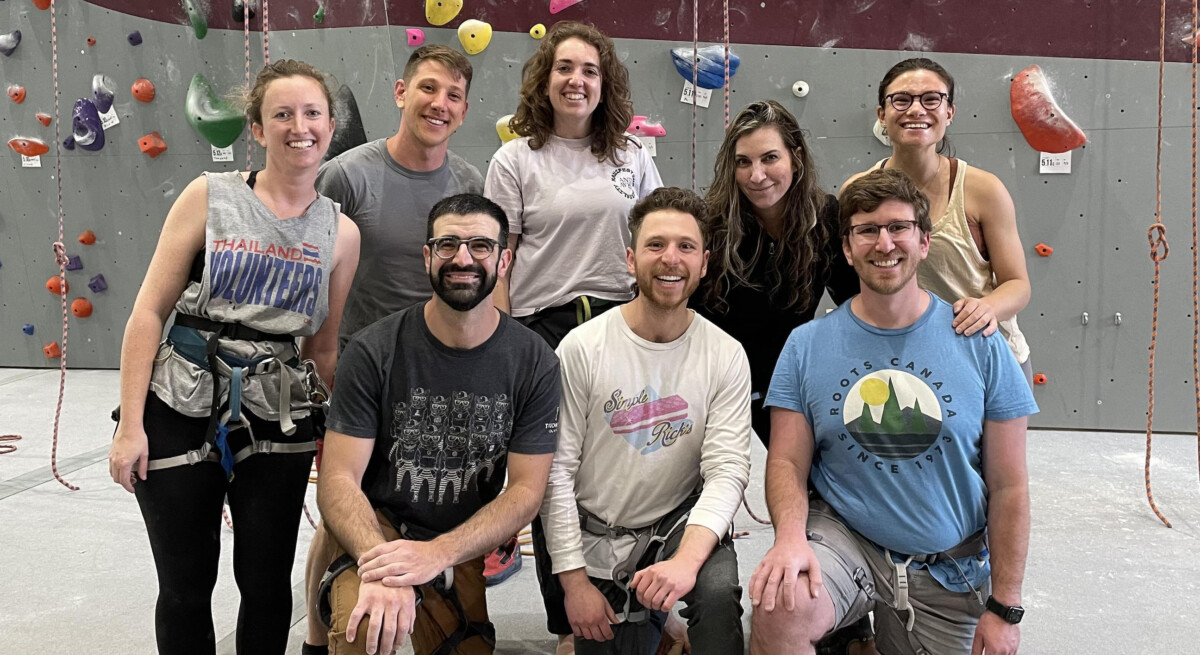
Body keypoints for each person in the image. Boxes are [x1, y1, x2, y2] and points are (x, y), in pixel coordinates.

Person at [106, 59, 360, 655]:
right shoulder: (210, 196)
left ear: (330, 124)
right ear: (258, 127)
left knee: (267, 585)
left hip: (280, 414)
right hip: (178, 400)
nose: (299, 126)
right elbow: (148, 312)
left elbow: (324, 348)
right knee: (187, 586)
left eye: (312, 113)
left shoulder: (340, 234)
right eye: (282, 114)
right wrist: (131, 425)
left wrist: (345, 441)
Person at [749, 169, 1037, 655]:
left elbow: (1010, 484)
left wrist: (1005, 606)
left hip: (948, 563)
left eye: (898, 228)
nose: (884, 243)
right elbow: (786, 462)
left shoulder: (980, 342)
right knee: (782, 605)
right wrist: (791, 538)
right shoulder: (806, 345)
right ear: (846, 249)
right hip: (848, 541)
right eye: (867, 230)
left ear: (924, 242)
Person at [316, 193, 561, 655]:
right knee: (367, 630)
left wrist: (439, 555)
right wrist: (381, 564)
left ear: (504, 260)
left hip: (457, 543)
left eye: (480, 246)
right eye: (447, 244)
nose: (462, 258)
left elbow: (527, 492)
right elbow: (337, 479)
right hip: (378, 531)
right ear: (427, 256)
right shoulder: (373, 351)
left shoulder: (534, 362)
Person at [484, 20, 663, 652]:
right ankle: (566, 623)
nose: (577, 80)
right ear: (545, 78)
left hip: (623, 321)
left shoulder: (632, 156)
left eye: (589, 70)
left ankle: (648, 606)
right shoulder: (516, 159)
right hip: (544, 329)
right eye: (565, 68)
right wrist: (505, 341)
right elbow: (497, 258)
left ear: (604, 81)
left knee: (632, 463)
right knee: (550, 474)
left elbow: (656, 242)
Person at [304, 43, 483, 655]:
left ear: (463, 110)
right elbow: (316, 285)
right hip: (357, 372)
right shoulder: (347, 175)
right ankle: (313, 632)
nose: (440, 103)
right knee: (344, 509)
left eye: (454, 95)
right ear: (402, 93)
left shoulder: (468, 181)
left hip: (437, 379)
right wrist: (325, 374)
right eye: (428, 88)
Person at [542, 187, 750, 654]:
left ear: (703, 263)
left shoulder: (725, 354)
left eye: (685, 247)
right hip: (599, 534)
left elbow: (727, 471)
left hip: (679, 524)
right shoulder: (581, 347)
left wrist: (686, 563)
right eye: (656, 245)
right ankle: (659, 626)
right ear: (631, 259)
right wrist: (574, 584)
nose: (670, 259)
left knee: (717, 596)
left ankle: (672, 617)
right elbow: (556, 473)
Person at [846, 57, 1033, 382]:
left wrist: (986, 308)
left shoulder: (983, 190)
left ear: (949, 112)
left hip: (983, 358)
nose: (916, 110)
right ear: (882, 114)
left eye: (931, 99)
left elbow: (1017, 285)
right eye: (901, 100)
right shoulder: (857, 191)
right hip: (903, 364)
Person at [699, 100, 858, 449]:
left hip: (787, 394)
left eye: (770, 158)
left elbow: (856, 302)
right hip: (715, 393)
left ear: (795, 157)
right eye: (743, 162)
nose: (756, 176)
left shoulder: (824, 217)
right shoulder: (711, 223)